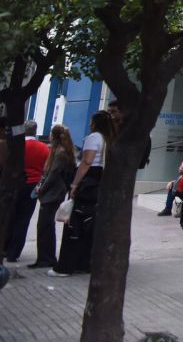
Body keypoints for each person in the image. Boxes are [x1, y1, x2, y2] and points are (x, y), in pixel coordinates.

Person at [50, 110, 114, 277]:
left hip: (87, 181)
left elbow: (87, 161)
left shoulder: (94, 138)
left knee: (74, 223)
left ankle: (65, 266)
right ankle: (84, 262)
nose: (89, 124)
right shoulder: (108, 139)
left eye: (91, 121)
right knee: (88, 224)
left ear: (95, 123)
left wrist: (75, 183)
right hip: (98, 182)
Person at [29, 125, 75, 269]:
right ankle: (45, 257)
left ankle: (46, 258)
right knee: (46, 226)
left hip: (52, 194)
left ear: (53, 136)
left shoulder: (60, 154)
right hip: (54, 192)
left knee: (45, 226)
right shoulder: (60, 152)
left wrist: (41, 189)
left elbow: (52, 175)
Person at [5, 121, 50, 262]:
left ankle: (4, 247)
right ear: (35, 131)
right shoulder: (44, 148)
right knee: (23, 220)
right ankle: (14, 252)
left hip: (16, 184)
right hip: (32, 186)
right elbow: (46, 168)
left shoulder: (17, 146)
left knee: (9, 216)